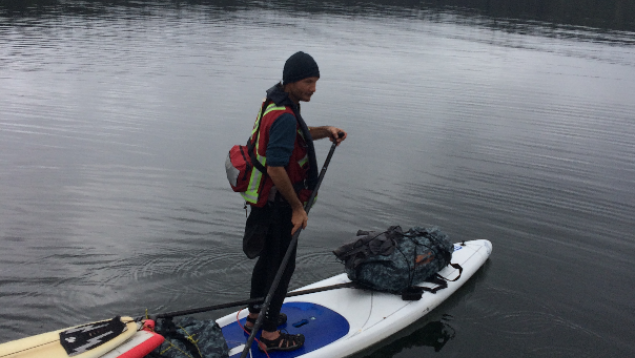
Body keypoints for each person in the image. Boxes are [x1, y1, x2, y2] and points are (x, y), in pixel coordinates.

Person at [241, 51, 347, 353]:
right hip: (281, 207)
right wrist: (298, 209)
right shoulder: (285, 115)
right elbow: (276, 166)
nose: (313, 88)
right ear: (290, 82)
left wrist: (325, 131)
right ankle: (271, 336)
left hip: (263, 202)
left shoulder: (273, 104)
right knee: (281, 268)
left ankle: (254, 318)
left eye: (315, 81)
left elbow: (294, 136)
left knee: (266, 262)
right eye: (307, 82)